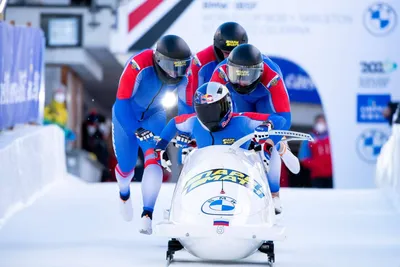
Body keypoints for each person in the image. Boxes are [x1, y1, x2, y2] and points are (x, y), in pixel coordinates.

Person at [141, 82, 288, 214]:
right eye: (205, 111)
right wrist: (160, 146)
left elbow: (279, 120)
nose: (210, 116)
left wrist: (267, 125)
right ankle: (182, 210)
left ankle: (273, 196)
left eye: (215, 110)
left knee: (272, 148)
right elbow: (173, 123)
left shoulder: (242, 120)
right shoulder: (194, 122)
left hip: (239, 173)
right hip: (204, 173)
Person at [112, 35, 193, 234]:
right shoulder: (138, 64)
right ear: (157, 60)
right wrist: (135, 129)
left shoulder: (185, 76)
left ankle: (147, 214)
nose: (175, 73)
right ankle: (124, 192)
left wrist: (185, 131)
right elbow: (122, 102)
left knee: (153, 158)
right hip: (127, 115)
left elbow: (186, 108)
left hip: (155, 115)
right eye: (170, 66)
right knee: (127, 167)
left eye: (181, 67)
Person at [185, 22, 248, 107]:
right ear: (218, 49)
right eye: (226, 53)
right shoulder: (200, 61)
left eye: (234, 53)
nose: (229, 58)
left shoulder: (250, 58)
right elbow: (194, 96)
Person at [298, 114, 333, 188]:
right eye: (319, 122)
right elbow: (303, 157)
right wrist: (316, 165)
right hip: (317, 176)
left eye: (323, 122)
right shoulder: (309, 138)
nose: (321, 124)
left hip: (332, 175)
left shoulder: (332, 138)